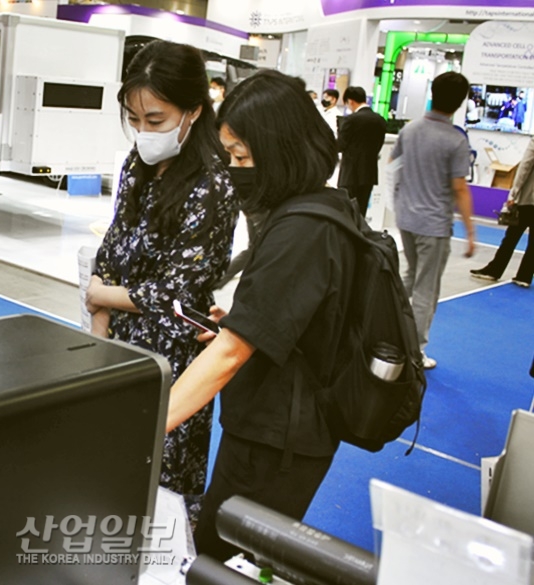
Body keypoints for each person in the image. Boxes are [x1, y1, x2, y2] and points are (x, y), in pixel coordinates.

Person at [165, 69, 353, 561]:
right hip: (281, 427)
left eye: (242, 157)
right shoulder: (323, 208)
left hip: (277, 440)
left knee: (216, 560)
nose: (233, 168)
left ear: (281, 149)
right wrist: (242, 316)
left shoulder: (303, 229)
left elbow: (231, 353)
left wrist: (147, 422)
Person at [85, 40, 238, 521]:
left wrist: (101, 295)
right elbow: (112, 246)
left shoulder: (214, 183)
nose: (142, 132)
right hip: (115, 343)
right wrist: (99, 327)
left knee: (158, 496)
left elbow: (177, 293)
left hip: (171, 362)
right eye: (134, 119)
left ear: (193, 111)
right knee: (101, 477)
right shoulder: (138, 163)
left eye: (155, 121)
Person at [391, 71, 476, 369]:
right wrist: (470, 231)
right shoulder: (456, 141)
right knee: (426, 289)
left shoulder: (410, 130)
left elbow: (394, 166)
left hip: (406, 218)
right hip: (433, 224)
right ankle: (414, 352)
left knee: (410, 277)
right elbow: (459, 189)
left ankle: (388, 334)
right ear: (460, 102)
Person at [470, 136, 534, 287]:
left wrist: (513, 194)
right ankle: (524, 276)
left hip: (528, 199)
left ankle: (494, 270)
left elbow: (525, 167)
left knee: (511, 237)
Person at [338, 86, 387, 215]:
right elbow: (379, 144)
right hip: (369, 172)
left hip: (350, 173)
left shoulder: (351, 120)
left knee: (347, 211)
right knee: (361, 211)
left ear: (350, 101)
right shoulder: (380, 120)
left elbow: (341, 144)